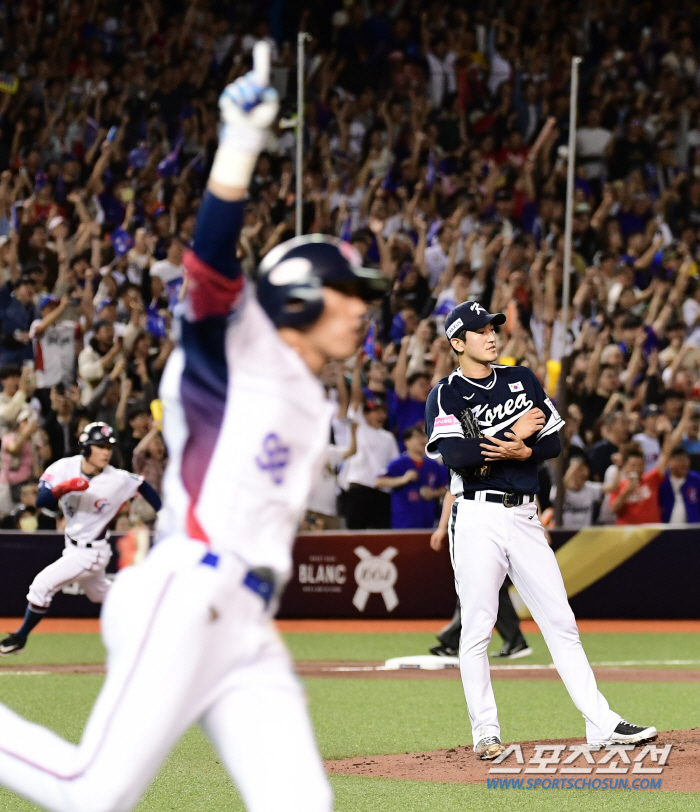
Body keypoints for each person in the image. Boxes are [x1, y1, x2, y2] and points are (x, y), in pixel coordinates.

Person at [0, 47, 385, 812]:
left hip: (246, 626)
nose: (360, 308)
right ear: (300, 297)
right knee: (90, 792)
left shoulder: (309, 399)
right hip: (187, 596)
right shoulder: (229, 357)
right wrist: (239, 147)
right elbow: (210, 264)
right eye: (345, 293)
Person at [424, 300, 656, 759]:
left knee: (561, 621)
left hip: (525, 516)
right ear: (457, 342)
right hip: (476, 517)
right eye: (480, 330)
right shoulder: (446, 393)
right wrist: (515, 433)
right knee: (477, 629)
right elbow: (457, 456)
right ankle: (486, 731)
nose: (491, 335)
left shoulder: (521, 378)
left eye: (493, 327)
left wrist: (519, 451)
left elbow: (551, 442)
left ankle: (601, 723)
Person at [0, 422, 161, 656]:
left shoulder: (117, 479)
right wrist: (63, 488)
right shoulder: (65, 467)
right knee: (100, 593)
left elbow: (143, 485)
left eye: (109, 446)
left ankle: (20, 637)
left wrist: (164, 514)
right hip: (72, 546)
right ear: (86, 448)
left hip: (92, 552)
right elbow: (42, 501)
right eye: (100, 446)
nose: (106, 452)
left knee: (41, 586)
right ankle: (149, 604)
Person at [429, 492, 532, 660]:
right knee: (483, 584)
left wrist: (442, 528)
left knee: (482, 584)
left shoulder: (478, 469)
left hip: (484, 526)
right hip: (482, 525)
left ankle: (452, 640)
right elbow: (452, 490)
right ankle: (513, 640)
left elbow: (451, 491)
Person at [376, 426, 448, 529]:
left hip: (428, 522)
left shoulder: (433, 465)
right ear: (407, 442)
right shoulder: (398, 463)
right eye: (417, 437)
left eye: (423, 436)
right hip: (403, 522)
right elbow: (378, 482)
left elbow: (446, 488)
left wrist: (433, 493)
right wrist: (403, 479)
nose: (422, 440)